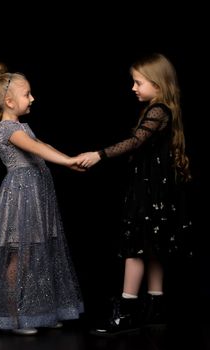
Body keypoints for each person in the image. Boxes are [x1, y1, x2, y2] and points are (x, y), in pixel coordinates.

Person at [77, 53, 193, 335]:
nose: (133, 88)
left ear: (158, 83)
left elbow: (135, 141)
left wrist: (99, 155)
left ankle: (127, 311)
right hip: (156, 190)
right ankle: (156, 306)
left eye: (138, 82)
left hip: (150, 191)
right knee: (152, 248)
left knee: (135, 247)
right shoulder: (164, 109)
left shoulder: (158, 110)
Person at [0, 60, 85, 335]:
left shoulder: (23, 126)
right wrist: (67, 160)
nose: (32, 98)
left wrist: (67, 161)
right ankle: (14, 317)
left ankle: (42, 313)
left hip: (37, 193)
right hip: (21, 195)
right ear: (9, 101)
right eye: (27, 94)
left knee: (41, 252)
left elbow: (43, 146)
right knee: (19, 257)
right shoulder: (7, 129)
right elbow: (34, 147)